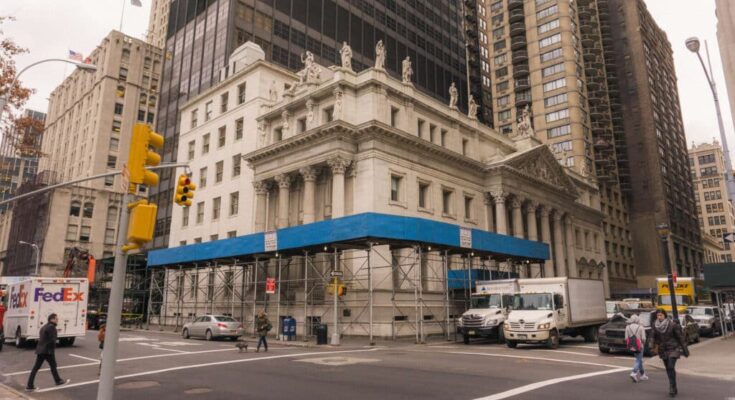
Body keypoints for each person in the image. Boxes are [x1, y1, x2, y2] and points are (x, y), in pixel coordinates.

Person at [26, 313, 70, 391]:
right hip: (47, 351)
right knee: (53, 366)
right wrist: (52, 351)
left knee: (36, 367)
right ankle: (58, 381)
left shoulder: (44, 327)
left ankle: (29, 385)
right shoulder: (52, 327)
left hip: (40, 350)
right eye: (56, 319)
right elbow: (52, 341)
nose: (57, 320)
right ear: (51, 319)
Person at [652, 309, 689, 397]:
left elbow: (680, 338)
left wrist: (685, 350)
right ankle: (673, 386)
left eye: (661, 315)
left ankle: (672, 387)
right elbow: (652, 336)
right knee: (668, 369)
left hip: (673, 348)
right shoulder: (655, 326)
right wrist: (651, 346)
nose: (659, 317)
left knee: (670, 366)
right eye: (658, 315)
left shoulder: (672, 325)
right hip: (663, 349)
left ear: (664, 315)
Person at [624, 314, 648, 382]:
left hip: (631, 346)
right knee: (638, 360)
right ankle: (634, 372)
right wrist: (643, 343)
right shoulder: (641, 327)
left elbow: (626, 338)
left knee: (639, 360)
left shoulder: (627, 327)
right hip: (640, 346)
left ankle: (643, 375)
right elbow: (643, 338)